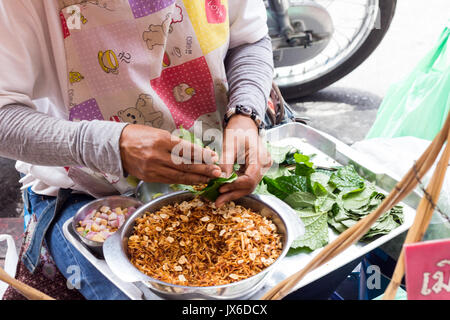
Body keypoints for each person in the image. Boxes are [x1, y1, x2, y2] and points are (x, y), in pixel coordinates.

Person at [0, 0, 273, 299]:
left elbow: (250, 39)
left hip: (215, 169)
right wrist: (111, 145)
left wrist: (246, 114)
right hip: (87, 190)